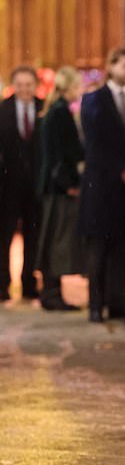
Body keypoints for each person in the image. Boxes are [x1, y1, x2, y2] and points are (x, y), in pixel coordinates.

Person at [79, 47, 125, 323]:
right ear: (112, 66)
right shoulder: (93, 99)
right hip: (101, 186)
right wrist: (121, 169)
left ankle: (118, 303)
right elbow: (95, 143)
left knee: (121, 249)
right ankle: (96, 304)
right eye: (124, 66)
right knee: (99, 250)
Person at [35, 66, 84, 310]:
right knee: (57, 241)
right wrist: (70, 185)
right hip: (59, 187)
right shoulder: (60, 113)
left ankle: (51, 292)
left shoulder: (54, 111)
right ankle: (52, 294)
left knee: (53, 239)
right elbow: (60, 156)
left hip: (53, 185)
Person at [0, 66, 43, 301]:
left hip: (35, 185)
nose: (24, 89)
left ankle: (29, 284)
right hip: (8, 185)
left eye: (28, 85)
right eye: (20, 85)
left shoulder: (43, 107)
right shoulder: (3, 110)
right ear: (13, 86)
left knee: (33, 235)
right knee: (4, 237)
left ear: (34, 85)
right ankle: (2, 284)